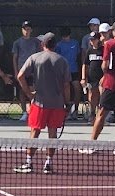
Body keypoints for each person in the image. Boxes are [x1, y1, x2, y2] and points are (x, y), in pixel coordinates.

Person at [13, 33, 72, 174]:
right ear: (55, 45)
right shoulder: (62, 60)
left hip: (39, 103)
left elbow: (20, 76)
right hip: (57, 104)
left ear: (42, 44)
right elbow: (66, 85)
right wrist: (67, 103)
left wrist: (28, 93)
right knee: (53, 134)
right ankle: (48, 163)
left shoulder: (34, 58)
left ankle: (28, 162)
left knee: (35, 131)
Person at [11, 21, 42, 122]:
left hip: (33, 71)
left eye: (28, 29)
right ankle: (24, 113)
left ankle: (33, 111)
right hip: (21, 71)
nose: (26, 31)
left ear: (31, 30)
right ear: (22, 30)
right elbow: (15, 58)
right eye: (24, 29)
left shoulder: (36, 42)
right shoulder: (17, 42)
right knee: (22, 91)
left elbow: (40, 55)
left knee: (33, 91)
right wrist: (16, 72)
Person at [54, 28, 82, 119]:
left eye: (66, 35)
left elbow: (78, 56)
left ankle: (76, 110)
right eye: (63, 36)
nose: (65, 37)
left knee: (77, 87)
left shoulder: (75, 43)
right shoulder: (58, 45)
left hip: (74, 70)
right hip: (63, 71)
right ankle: (67, 110)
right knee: (66, 88)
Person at [81, 32, 104, 121]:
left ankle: (101, 115)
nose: (92, 41)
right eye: (90, 39)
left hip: (101, 78)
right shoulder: (89, 51)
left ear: (98, 39)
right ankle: (92, 114)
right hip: (91, 78)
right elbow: (85, 65)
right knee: (92, 95)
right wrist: (83, 77)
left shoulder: (103, 50)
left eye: (93, 39)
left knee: (102, 95)